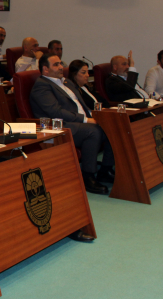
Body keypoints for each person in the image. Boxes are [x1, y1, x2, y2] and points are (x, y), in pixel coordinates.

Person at [30, 55, 114, 194]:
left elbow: (81, 105)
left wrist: (95, 116)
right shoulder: (42, 86)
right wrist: (85, 119)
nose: (61, 67)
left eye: (60, 63)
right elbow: (56, 111)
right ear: (45, 69)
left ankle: (105, 169)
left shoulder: (66, 82)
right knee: (93, 131)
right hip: (58, 126)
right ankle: (88, 176)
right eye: (56, 65)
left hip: (78, 121)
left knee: (112, 126)